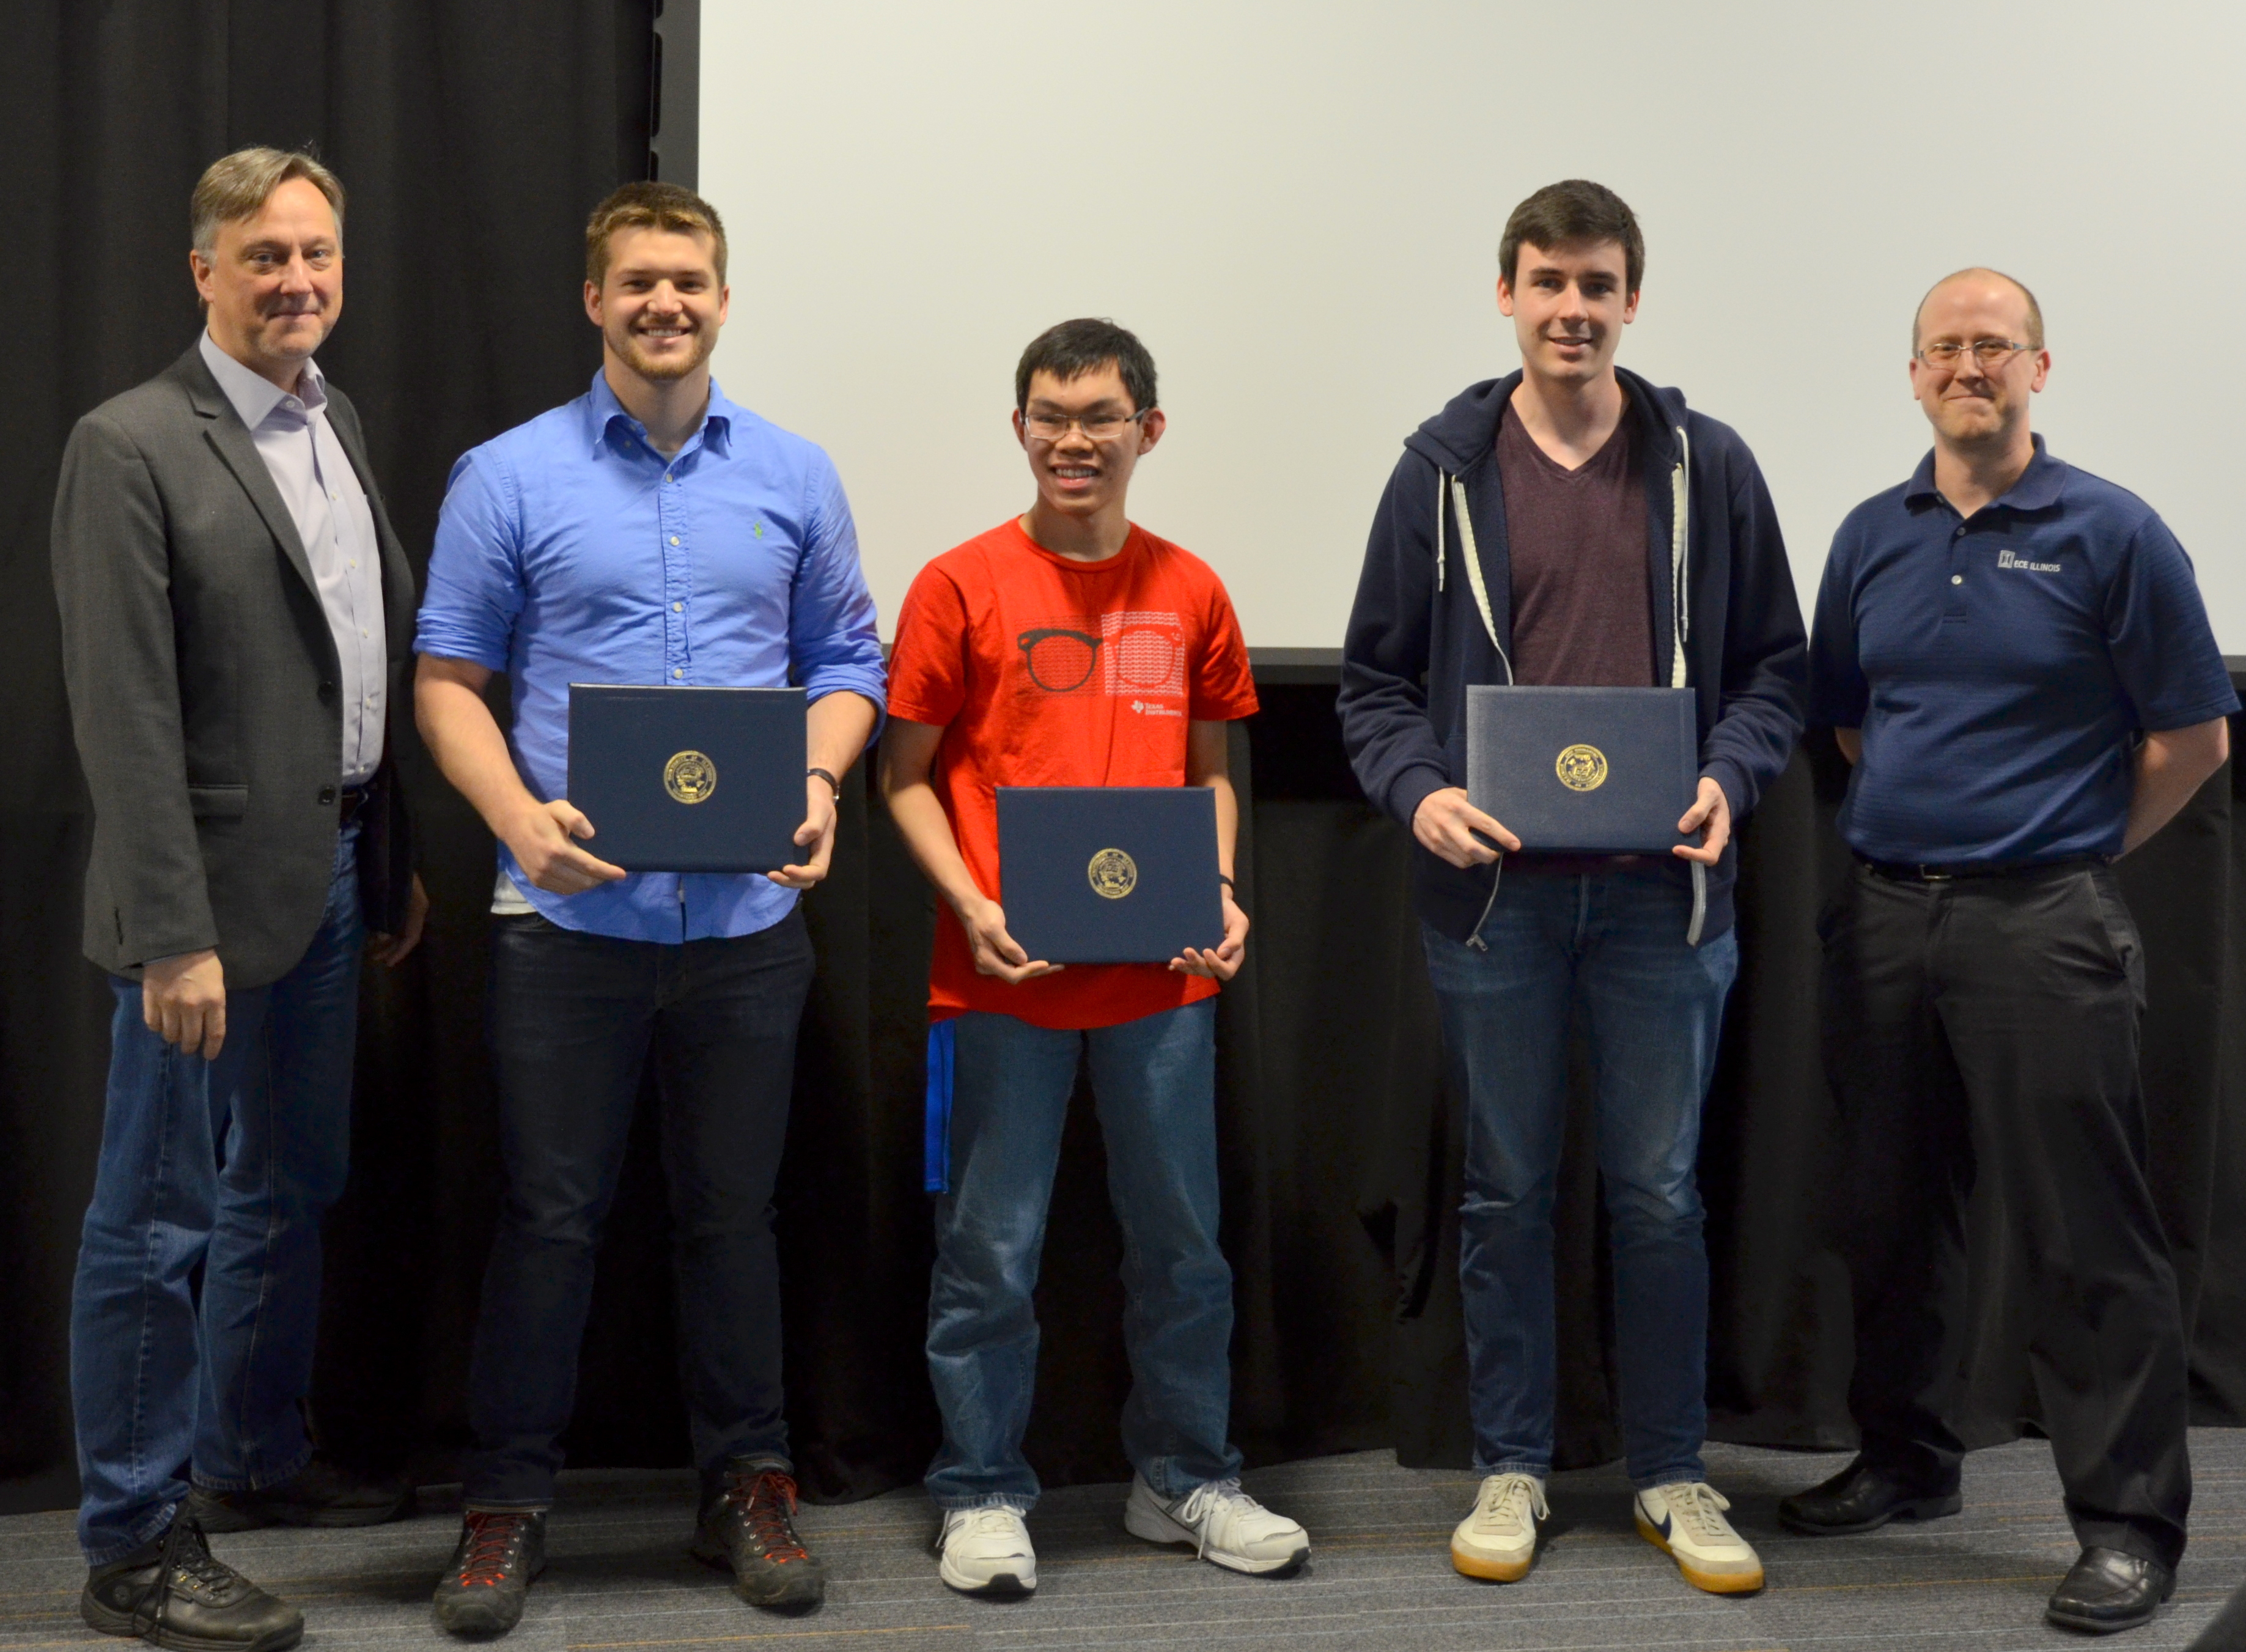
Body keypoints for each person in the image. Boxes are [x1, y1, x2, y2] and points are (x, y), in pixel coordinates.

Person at [413, 182, 885, 1635]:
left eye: (688, 280)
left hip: (746, 928)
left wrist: (816, 785)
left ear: (724, 299)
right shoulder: (507, 475)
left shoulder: (796, 474)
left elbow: (847, 663)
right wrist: (513, 823)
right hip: (566, 930)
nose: (664, 303)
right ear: (594, 300)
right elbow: (448, 678)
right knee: (550, 1219)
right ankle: (506, 1504)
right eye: (637, 282)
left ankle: (745, 1484)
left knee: (731, 1219)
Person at [1337, 180, 1805, 1595]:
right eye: (1547, 283)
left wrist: (1732, 770)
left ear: (1631, 301)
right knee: (1503, 1194)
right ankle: (1514, 1465)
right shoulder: (1438, 472)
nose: (1573, 311)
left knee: (1660, 1196)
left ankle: (1671, 1470)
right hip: (1499, 907)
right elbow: (1368, 685)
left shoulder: (1704, 465)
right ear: (1506, 295)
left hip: (1665, 904)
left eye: (1598, 286)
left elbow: (1775, 668)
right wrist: (1422, 795)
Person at [1783, 267, 2235, 1635]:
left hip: (2043, 920)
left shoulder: (2114, 531)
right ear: (1912, 376)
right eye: (1943, 348)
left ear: (2040, 367)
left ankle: (2125, 1524)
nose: (1966, 365)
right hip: (1884, 913)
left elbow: (2192, 737)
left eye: (1993, 345)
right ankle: (1911, 1460)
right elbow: (1852, 723)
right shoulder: (1870, 533)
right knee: (1889, 1212)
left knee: (2086, 1234)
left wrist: (2074, 848)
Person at [51, 146, 427, 1652]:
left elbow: (357, 666)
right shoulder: (131, 442)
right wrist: (173, 931)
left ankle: (251, 1458)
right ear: (202, 271)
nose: (296, 281)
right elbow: (124, 715)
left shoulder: (337, 424)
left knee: (287, 1190)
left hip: (332, 880)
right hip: (201, 912)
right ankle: (134, 1544)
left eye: (317, 254)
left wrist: (386, 859)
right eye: (264, 256)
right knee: (156, 1221)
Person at [878, 317, 1309, 1599]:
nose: (1075, 440)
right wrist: (970, 902)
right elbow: (900, 779)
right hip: (1000, 981)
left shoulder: (1192, 589)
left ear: (1147, 431)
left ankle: (1183, 1477)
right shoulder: (957, 585)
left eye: (1100, 418)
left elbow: (1212, 772)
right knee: (990, 1253)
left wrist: (1224, 888)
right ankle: (978, 1490)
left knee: (1183, 1248)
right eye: (1051, 417)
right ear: (1020, 429)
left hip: (1162, 984)